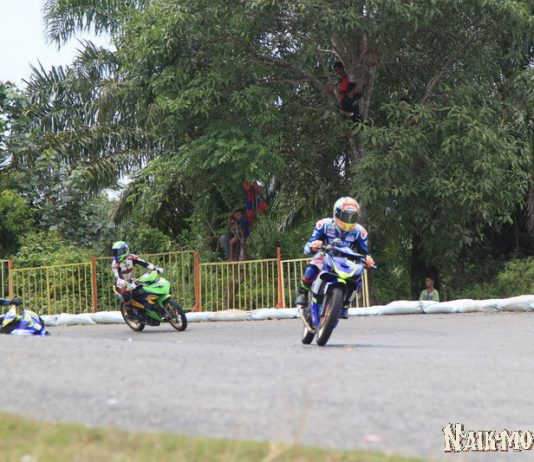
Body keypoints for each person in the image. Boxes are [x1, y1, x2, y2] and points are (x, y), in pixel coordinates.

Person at [295, 197, 375, 319]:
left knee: (357, 280)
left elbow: (364, 253)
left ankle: (345, 305)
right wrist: (314, 246)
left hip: (345, 262)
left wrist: (368, 260)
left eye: (352, 217)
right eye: (345, 216)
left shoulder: (360, 232)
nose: (348, 220)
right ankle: (302, 293)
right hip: (325, 256)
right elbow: (308, 246)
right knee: (310, 270)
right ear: (336, 213)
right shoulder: (324, 225)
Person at [111, 241, 164, 310]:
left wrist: (155, 268)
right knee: (127, 295)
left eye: (119, 252)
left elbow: (145, 263)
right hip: (121, 284)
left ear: (125, 250)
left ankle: (154, 302)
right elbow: (118, 279)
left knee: (148, 284)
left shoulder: (132, 257)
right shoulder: (115, 264)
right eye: (115, 252)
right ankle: (129, 310)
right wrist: (127, 284)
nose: (117, 254)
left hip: (131, 280)